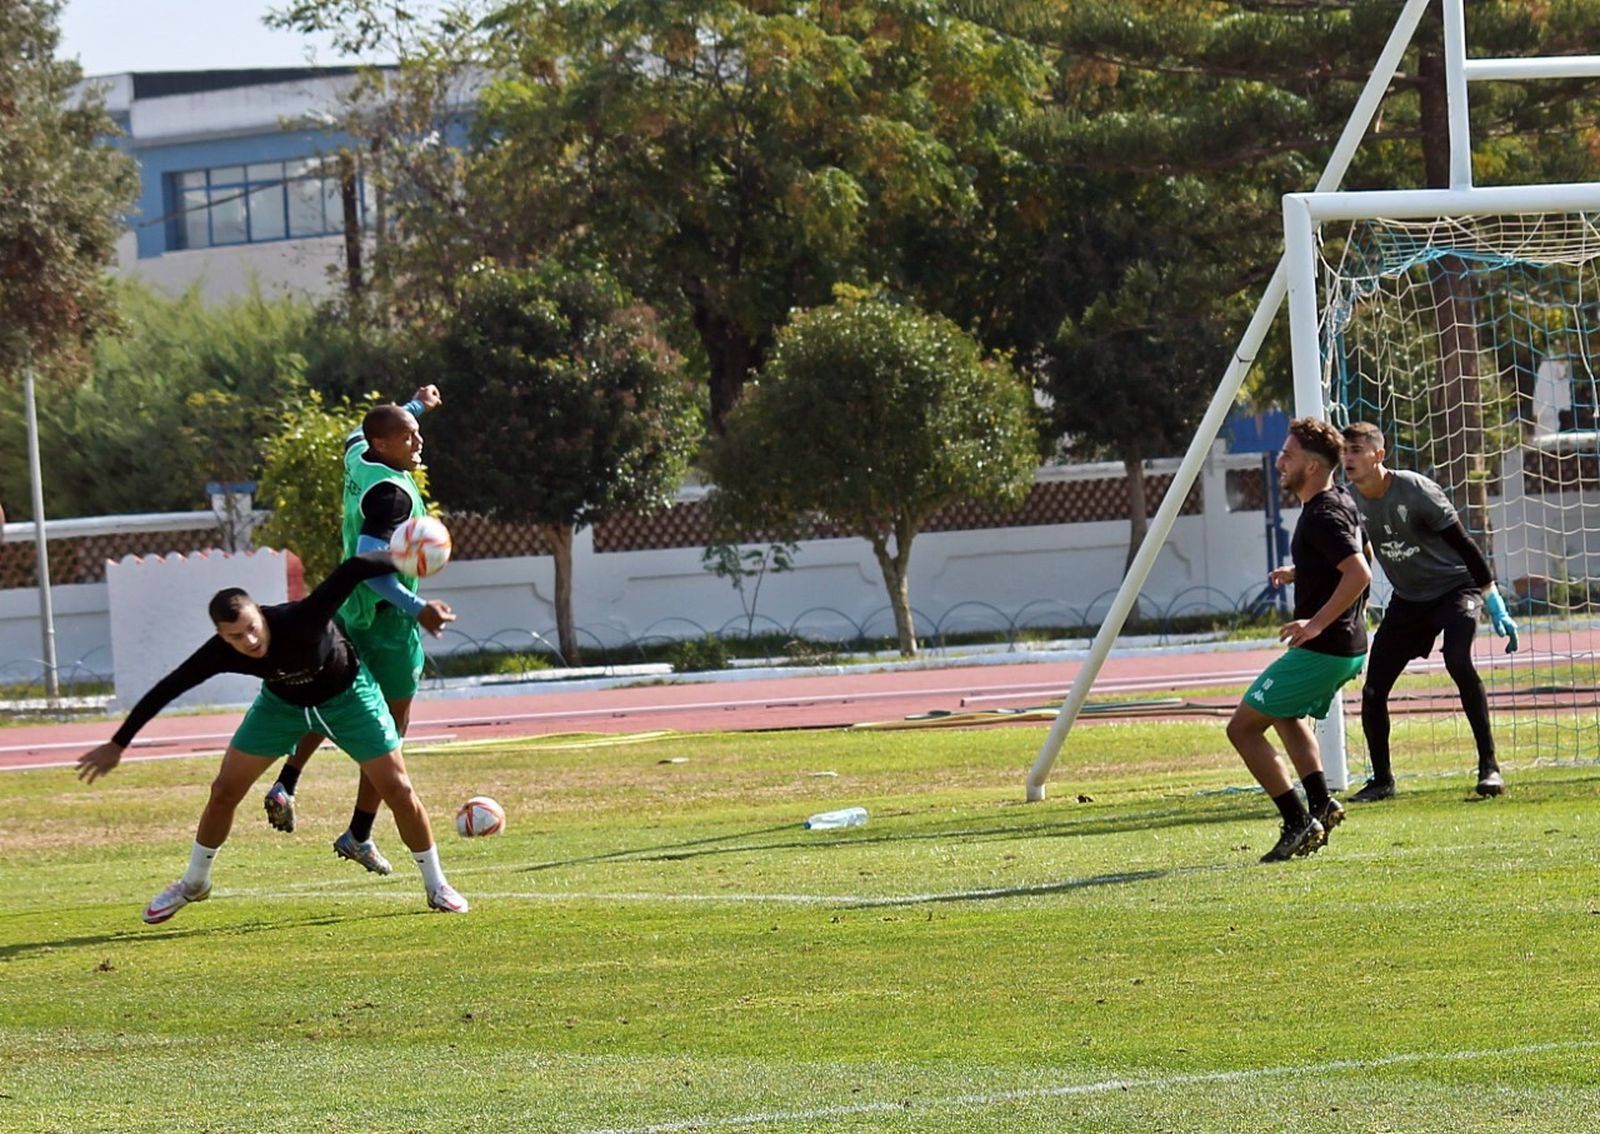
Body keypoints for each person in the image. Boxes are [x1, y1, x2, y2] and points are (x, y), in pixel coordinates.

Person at [76, 550, 469, 923]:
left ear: (260, 615)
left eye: (251, 628)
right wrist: (119, 743)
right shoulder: (220, 651)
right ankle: (195, 883)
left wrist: (414, 572)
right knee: (224, 790)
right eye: (234, 637)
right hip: (281, 706)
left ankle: (437, 886)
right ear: (221, 635)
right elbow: (170, 686)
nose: (248, 641)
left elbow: (354, 567)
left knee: (398, 788)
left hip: (349, 697)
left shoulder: (301, 619)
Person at [262, 387, 455, 877]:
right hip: (386, 624)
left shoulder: (358, 449)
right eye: (409, 438)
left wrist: (414, 405)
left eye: (417, 436)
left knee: (328, 696)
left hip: (347, 612)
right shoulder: (389, 496)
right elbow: (368, 564)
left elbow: (364, 428)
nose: (419, 444)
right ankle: (359, 834)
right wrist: (418, 609)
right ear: (384, 446)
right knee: (390, 731)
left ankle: (287, 782)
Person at [1340, 421, 1518, 801]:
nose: (1348, 458)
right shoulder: (1348, 500)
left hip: (1456, 589)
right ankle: (1382, 781)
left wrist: (1493, 601)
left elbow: (1466, 546)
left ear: (1378, 455)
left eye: (1356, 450)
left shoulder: (1416, 490)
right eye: (1344, 450)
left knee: (1457, 659)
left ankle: (1489, 767)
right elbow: (1353, 555)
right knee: (1373, 690)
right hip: (1409, 600)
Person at [1229, 417, 1371, 863]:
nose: (1280, 461)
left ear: (1311, 467)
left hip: (1325, 647)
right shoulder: (1336, 501)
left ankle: (1297, 823)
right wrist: (1303, 571)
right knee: (1285, 715)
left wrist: (1315, 624)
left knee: (1243, 728)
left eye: (1288, 455)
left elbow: (1360, 572)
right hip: (1346, 646)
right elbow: (1359, 552)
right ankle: (1321, 803)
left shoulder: (1324, 515)